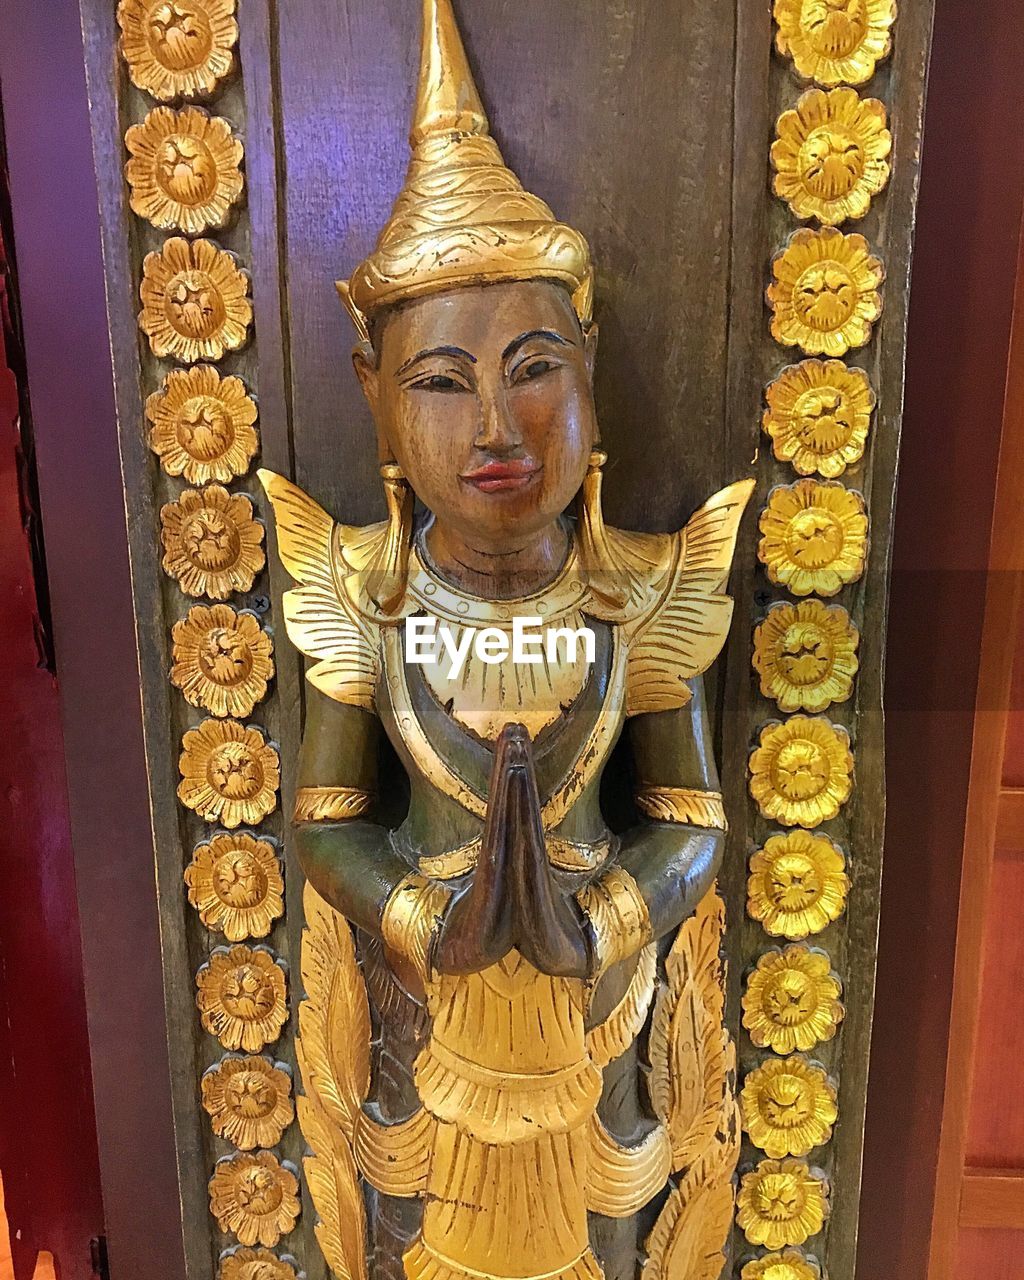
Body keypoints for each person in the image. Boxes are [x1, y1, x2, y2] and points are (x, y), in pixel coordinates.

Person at [261, 3, 752, 1278]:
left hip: (598, 1018)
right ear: (375, 389)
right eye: (440, 380)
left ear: (587, 367)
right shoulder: (368, 593)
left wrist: (606, 913)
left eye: (534, 366)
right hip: (431, 1024)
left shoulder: (637, 593)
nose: (496, 425)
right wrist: (421, 915)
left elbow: (690, 816)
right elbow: (323, 818)